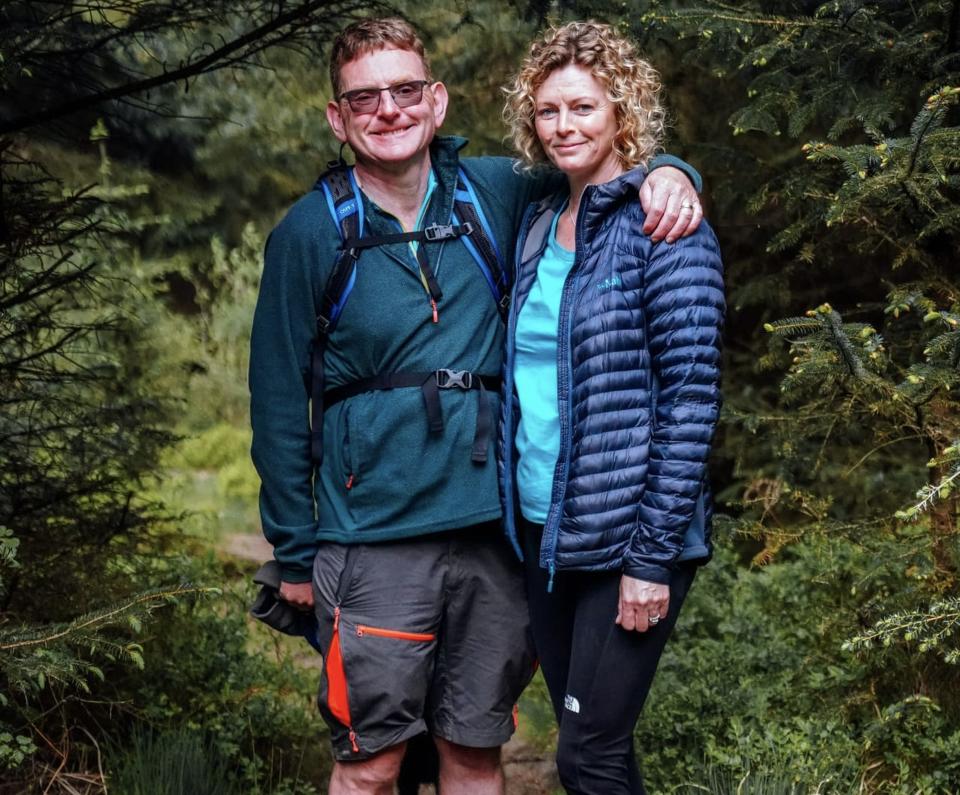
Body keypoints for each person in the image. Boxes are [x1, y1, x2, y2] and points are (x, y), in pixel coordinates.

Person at [249, 17, 703, 795]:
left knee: (473, 749)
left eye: (405, 91)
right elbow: (279, 401)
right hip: (373, 537)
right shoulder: (308, 234)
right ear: (338, 117)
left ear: (437, 101)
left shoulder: (494, 193)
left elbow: (599, 162)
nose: (387, 110)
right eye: (365, 98)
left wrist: (672, 169)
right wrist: (294, 549)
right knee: (370, 762)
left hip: (496, 540)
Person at [499, 21, 725, 795]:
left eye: (584, 108)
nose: (565, 126)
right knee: (597, 742)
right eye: (548, 110)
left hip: (628, 539)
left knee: (586, 755)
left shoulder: (666, 227)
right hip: (545, 533)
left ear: (622, 110)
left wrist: (651, 558)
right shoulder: (536, 227)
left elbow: (691, 402)